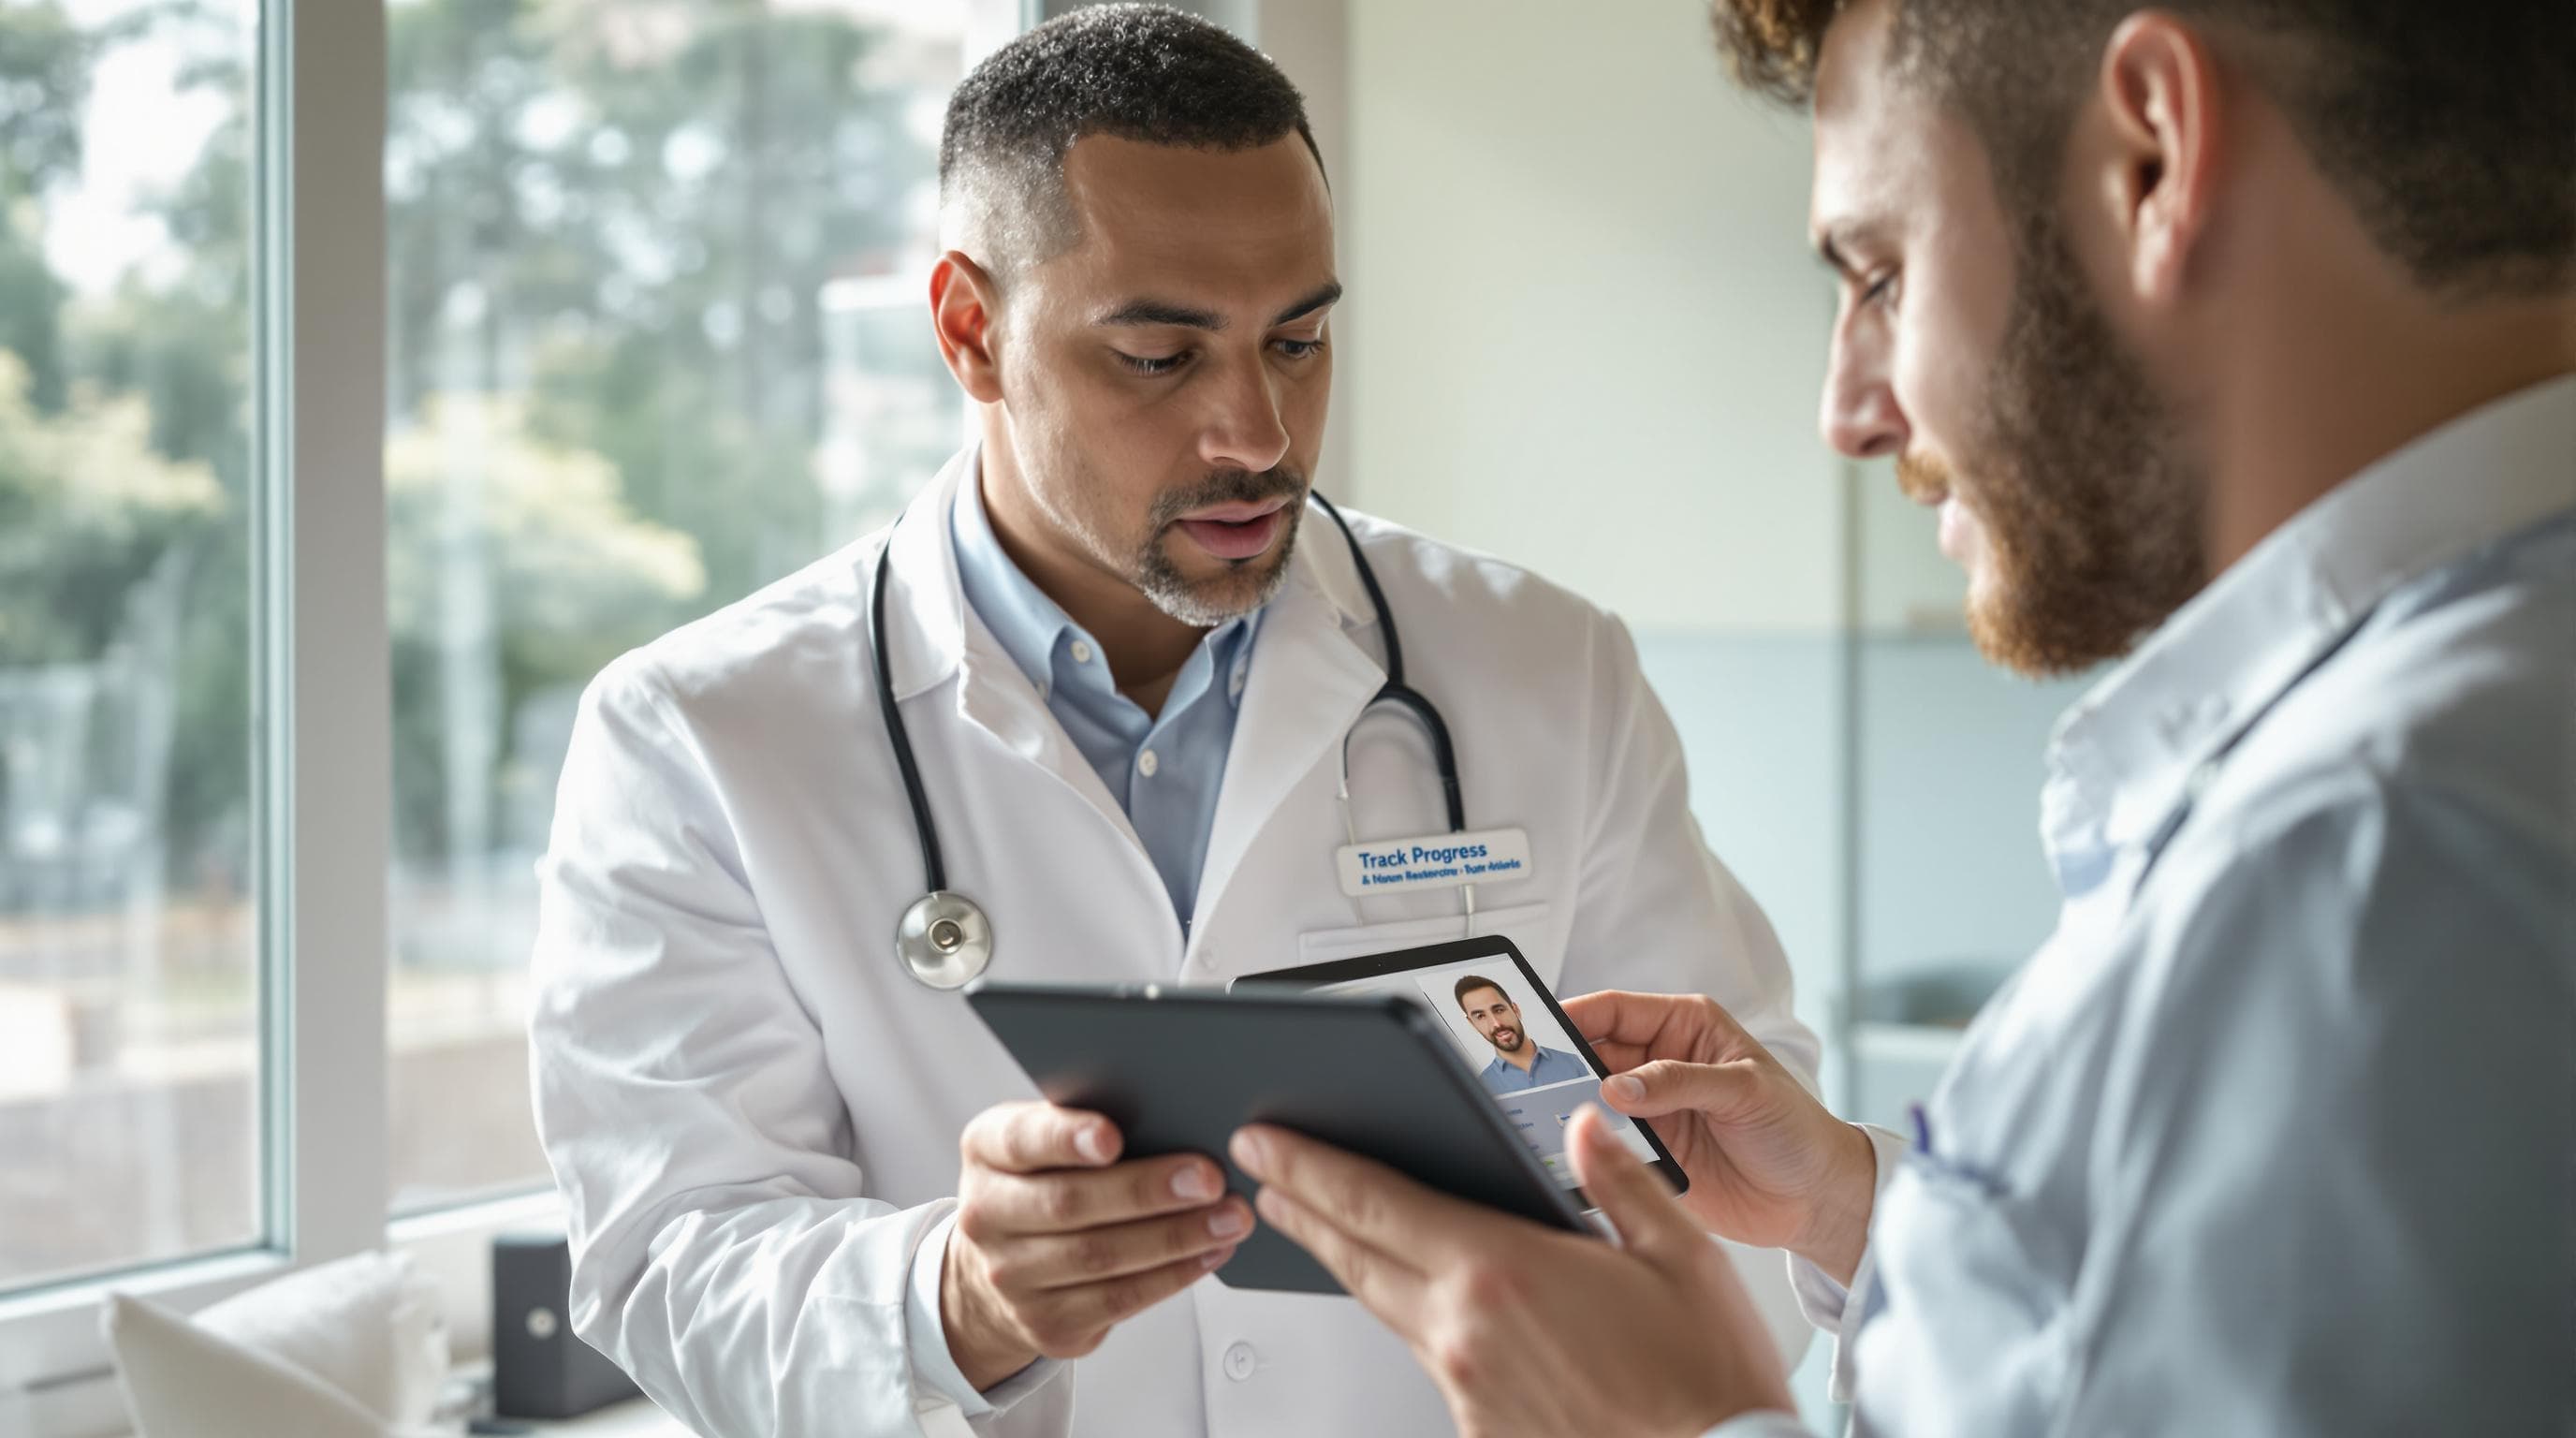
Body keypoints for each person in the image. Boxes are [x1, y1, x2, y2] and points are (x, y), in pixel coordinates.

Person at [1231, 0, 2575, 1432]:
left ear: (2151, 159)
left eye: (1881, 273)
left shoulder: (2371, 860)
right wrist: (1855, 1207)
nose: (1849, 411)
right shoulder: (2452, 762)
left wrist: (1678, 1423)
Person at [528, 7, 1820, 1436]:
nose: (1257, 433)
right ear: (970, 330)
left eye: (1300, 339)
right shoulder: (701, 736)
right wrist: (959, 1298)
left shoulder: (1541, 666)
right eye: (1159, 355)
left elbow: (1746, 1180)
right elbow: (669, 1257)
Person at [1454, 976, 1588, 1094]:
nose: (1496, 1024)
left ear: (1515, 1010)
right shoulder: (1482, 1088)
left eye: (1499, 1010)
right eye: (1480, 1016)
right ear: (1472, 1024)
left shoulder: (1573, 1063)